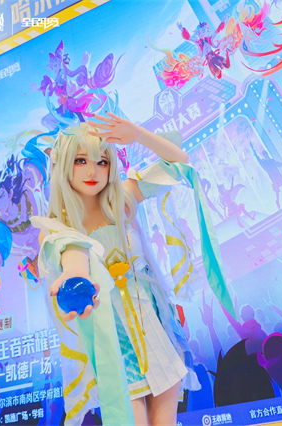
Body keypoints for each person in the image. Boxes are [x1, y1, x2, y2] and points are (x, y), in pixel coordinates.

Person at [31, 115, 200, 426]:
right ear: (63, 163)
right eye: (81, 160)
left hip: (154, 332)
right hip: (115, 347)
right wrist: (75, 278)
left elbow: (180, 163)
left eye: (102, 161)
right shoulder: (55, 228)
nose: (92, 171)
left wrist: (138, 134)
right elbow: (74, 254)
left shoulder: (121, 200)